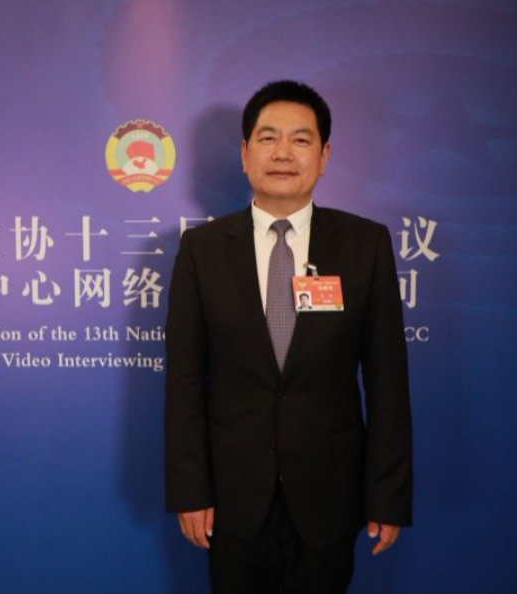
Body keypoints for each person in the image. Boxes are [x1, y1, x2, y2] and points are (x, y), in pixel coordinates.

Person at [164, 80, 412, 593]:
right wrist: (190, 490)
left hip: (330, 493)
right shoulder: (202, 250)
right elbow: (185, 382)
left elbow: (388, 381)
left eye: (300, 140)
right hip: (233, 499)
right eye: (267, 138)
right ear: (244, 154)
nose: (282, 153)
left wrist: (387, 494)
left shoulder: (365, 245)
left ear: (324, 156)